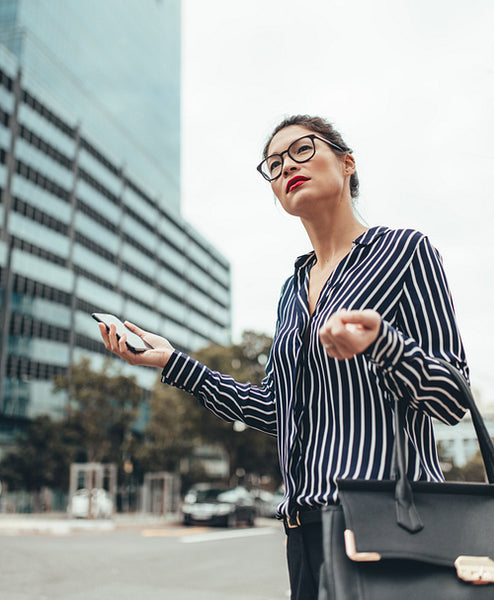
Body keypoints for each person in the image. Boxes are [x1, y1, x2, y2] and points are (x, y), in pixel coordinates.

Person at [98, 115, 469, 600]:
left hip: (386, 519)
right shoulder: (290, 291)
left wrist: (383, 344)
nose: (286, 167)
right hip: (303, 527)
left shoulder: (405, 252)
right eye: (273, 164)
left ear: (347, 162)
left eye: (301, 150)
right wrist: (173, 363)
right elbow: (275, 409)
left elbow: (452, 398)